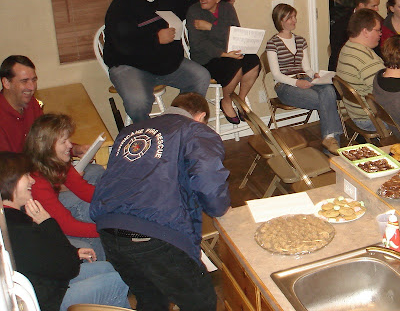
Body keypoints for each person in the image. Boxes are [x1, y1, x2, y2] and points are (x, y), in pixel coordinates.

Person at [90, 93, 230, 311]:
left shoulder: (130, 132)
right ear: (201, 117)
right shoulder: (194, 130)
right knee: (200, 302)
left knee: (151, 301)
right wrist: (220, 208)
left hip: (109, 231)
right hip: (155, 233)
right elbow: (207, 176)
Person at [0, 152, 129, 311]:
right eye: (26, 175)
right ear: (10, 181)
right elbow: (68, 268)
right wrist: (47, 222)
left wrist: (74, 253)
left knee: (105, 268)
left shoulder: (12, 217)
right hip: (48, 301)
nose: (32, 180)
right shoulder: (17, 229)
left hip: (50, 284)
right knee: (115, 282)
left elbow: (48, 256)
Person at [103, 0, 210, 123]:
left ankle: (177, 125)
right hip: (130, 67)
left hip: (165, 63)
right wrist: (156, 39)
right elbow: (122, 45)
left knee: (200, 77)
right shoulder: (122, 5)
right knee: (138, 103)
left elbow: (184, 6)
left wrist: (211, 2)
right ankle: (148, 134)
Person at [24, 114, 105, 260]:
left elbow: (85, 191)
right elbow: (66, 225)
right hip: (38, 232)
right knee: (91, 239)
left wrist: (119, 200)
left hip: (53, 216)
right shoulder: (37, 182)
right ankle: (101, 266)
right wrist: (106, 229)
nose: (70, 145)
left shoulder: (58, 160)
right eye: (64, 141)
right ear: (47, 146)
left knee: (95, 209)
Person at [266, 4, 343, 154]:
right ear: (280, 20)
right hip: (285, 86)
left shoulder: (300, 40)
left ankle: (329, 139)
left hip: (305, 79)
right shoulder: (272, 43)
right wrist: (296, 83)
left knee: (329, 89)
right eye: (290, 18)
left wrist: (314, 75)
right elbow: (276, 74)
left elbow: (306, 68)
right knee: (327, 99)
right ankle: (332, 144)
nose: (294, 20)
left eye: (294, 17)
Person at [186, 0, 260, 124]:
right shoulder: (194, 11)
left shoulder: (227, 8)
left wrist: (210, 27)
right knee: (234, 65)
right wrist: (225, 54)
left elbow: (235, 33)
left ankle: (241, 99)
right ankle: (226, 101)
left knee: (253, 60)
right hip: (205, 58)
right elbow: (199, 44)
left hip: (228, 52)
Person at [336, 8, 385, 129]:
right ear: (365, 31)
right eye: (378, 30)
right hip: (371, 120)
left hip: (355, 114)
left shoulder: (347, 48)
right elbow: (386, 94)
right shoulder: (367, 60)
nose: (380, 34)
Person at [329, 0, 381, 71]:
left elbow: (378, 50)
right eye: (374, 6)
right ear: (361, 5)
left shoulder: (378, 21)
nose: (377, 9)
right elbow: (338, 53)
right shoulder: (341, 24)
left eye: (377, 5)